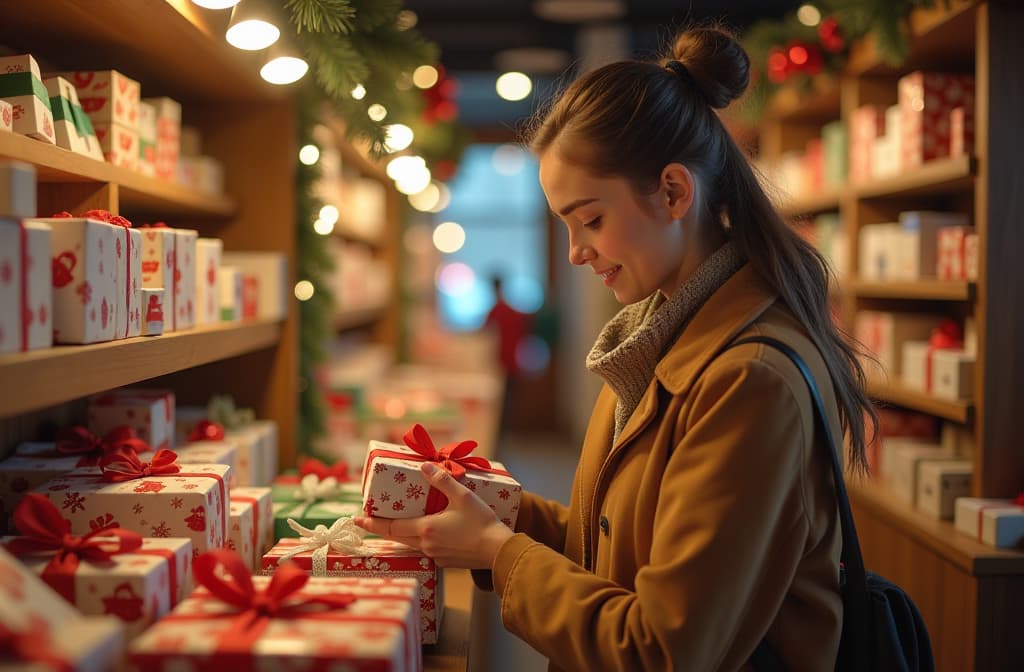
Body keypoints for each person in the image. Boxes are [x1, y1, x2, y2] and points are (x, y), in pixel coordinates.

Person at [356, 25, 876, 671]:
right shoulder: (653, 341)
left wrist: (497, 551)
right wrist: (495, 510)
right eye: (567, 226)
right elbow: (615, 546)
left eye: (591, 220)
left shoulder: (748, 379)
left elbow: (662, 648)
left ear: (674, 192)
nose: (576, 252)